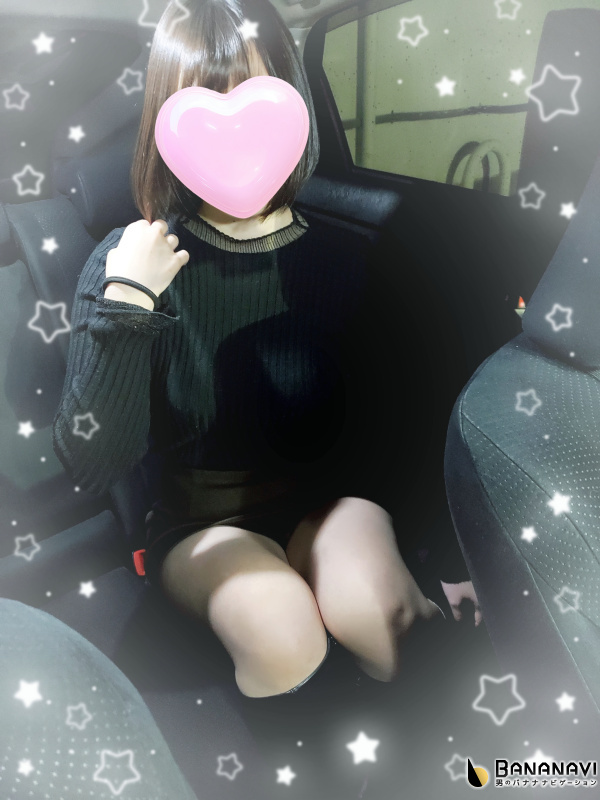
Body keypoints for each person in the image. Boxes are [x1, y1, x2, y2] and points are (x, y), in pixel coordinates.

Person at [52, 0, 480, 712]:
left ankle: (437, 747)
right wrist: (127, 305)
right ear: (164, 122)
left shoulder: (348, 257)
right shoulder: (128, 262)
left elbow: (407, 424)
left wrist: (453, 556)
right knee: (281, 628)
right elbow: (92, 462)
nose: (233, 134)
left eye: (254, 99)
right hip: (200, 524)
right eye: (204, 108)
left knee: (382, 616)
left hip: (330, 502)